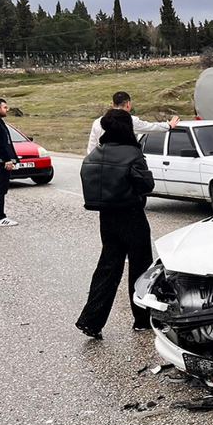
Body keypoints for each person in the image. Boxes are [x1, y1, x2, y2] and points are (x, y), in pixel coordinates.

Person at [76, 109, 156, 340]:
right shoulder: (132, 153)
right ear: (126, 128)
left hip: (107, 217)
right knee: (140, 269)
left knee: (107, 268)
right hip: (131, 215)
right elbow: (146, 185)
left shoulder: (96, 152)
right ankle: (142, 319)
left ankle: (91, 320)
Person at [86, 91, 180, 154]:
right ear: (128, 104)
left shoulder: (97, 122)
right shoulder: (130, 120)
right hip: (121, 161)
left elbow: (91, 147)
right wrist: (169, 125)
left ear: (113, 104)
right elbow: (151, 127)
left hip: (101, 161)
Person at [0, 98, 19, 227]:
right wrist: (7, 159)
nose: (7, 110)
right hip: (0, 162)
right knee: (0, 190)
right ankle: (0, 217)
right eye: (4, 107)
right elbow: (0, 144)